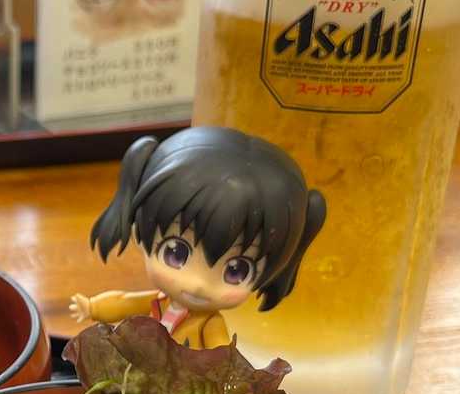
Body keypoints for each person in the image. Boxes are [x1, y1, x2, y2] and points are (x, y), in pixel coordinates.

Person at [69, 127, 326, 348]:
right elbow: (124, 303)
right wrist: (92, 307)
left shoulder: (209, 323)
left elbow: (222, 354)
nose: (199, 284)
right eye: (176, 252)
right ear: (139, 229)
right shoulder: (158, 303)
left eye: (236, 271)